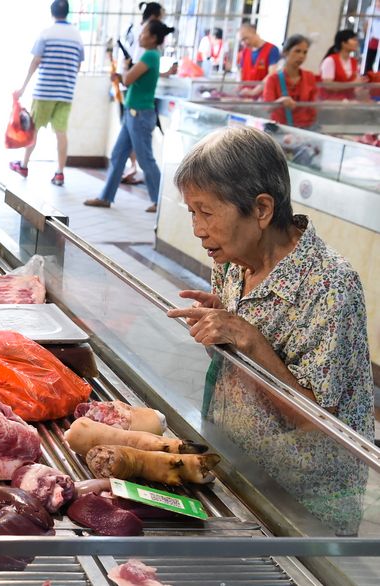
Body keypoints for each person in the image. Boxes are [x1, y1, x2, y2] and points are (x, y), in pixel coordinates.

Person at [166, 126, 373, 535]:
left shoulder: (329, 285)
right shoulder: (232, 260)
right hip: (240, 467)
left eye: (206, 212)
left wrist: (250, 339)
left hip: (303, 501)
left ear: (261, 209)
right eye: (191, 212)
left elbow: (318, 424)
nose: (197, 229)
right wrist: (220, 328)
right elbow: (237, 360)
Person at [83, 20, 174, 212]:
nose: (140, 36)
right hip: (133, 113)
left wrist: (124, 68)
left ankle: (160, 202)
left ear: (153, 38)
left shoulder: (150, 55)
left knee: (145, 159)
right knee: (118, 155)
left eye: (144, 33)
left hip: (139, 115)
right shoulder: (151, 55)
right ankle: (106, 197)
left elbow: (128, 78)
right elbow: (133, 79)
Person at [10, 0, 84, 187]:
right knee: (61, 133)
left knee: (33, 129)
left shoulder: (46, 33)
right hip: (66, 93)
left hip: (44, 91)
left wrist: (23, 87)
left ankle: (24, 166)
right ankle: (59, 173)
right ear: (67, 12)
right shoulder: (77, 36)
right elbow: (78, 65)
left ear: (52, 13)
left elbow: (36, 61)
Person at [262, 35, 318, 129]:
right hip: (280, 128)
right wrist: (280, 101)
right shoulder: (273, 79)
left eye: (305, 52)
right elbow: (268, 107)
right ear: (286, 52)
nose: (301, 56)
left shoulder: (310, 77)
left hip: (304, 129)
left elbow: (313, 108)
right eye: (297, 51)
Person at [237, 23, 280, 97]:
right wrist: (239, 86)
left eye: (245, 39)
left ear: (254, 33)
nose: (244, 43)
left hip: (263, 97)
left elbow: (272, 74)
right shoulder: (245, 52)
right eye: (241, 41)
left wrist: (254, 92)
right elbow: (240, 71)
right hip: (245, 96)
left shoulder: (272, 49)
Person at [320, 30, 363, 100]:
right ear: (343, 43)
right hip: (332, 102)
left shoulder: (354, 62)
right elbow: (328, 85)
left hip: (349, 101)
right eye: (353, 40)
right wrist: (352, 84)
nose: (357, 42)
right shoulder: (330, 61)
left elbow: (356, 85)